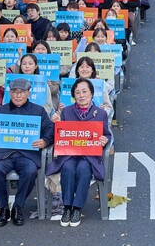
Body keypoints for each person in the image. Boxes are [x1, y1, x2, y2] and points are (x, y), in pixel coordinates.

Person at [0, 77, 54, 226]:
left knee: (30, 171)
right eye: (15, 92)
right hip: (3, 154)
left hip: (27, 154)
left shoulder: (38, 111)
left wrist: (45, 141)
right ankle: (3, 207)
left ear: (29, 93)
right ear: (9, 93)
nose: (18, 95)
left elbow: (50, 129)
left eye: (22, 92)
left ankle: (18, 206)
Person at [45, 78, 113, 227]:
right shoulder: (66, 111)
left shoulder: (100, 113)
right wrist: (56, 124)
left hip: (89, 155)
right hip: (70, 153)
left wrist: (104, 140)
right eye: (77, 92)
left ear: (91, 93)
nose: (81, 95)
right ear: (73, 95)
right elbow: (59, 135)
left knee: (83, 168)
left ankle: (77, 207)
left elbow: (107, 135)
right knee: (68, 168)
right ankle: (67, 207)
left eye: (84, 91)